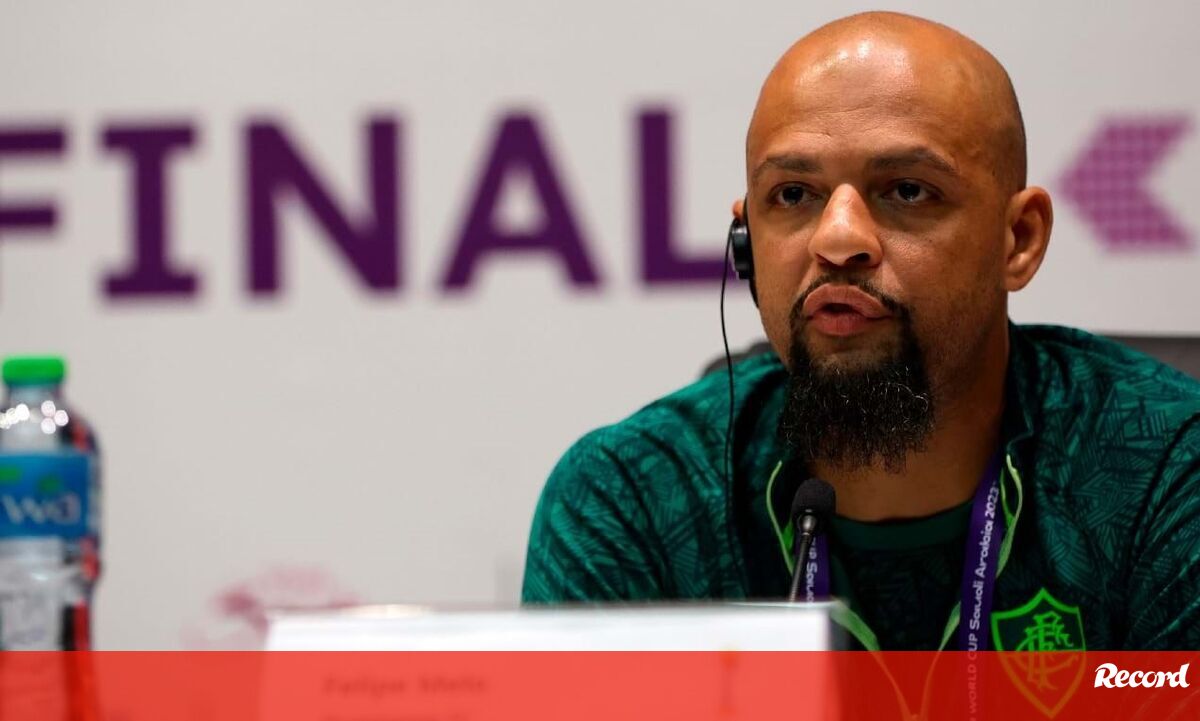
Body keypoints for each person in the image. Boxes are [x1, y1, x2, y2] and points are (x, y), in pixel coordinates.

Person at [521, 11, 1200, 651]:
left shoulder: (1166, 472)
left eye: (907, 190)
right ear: (747, 243)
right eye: (793, 195)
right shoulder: (634, 498)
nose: (838, 240)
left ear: (1018, 238)